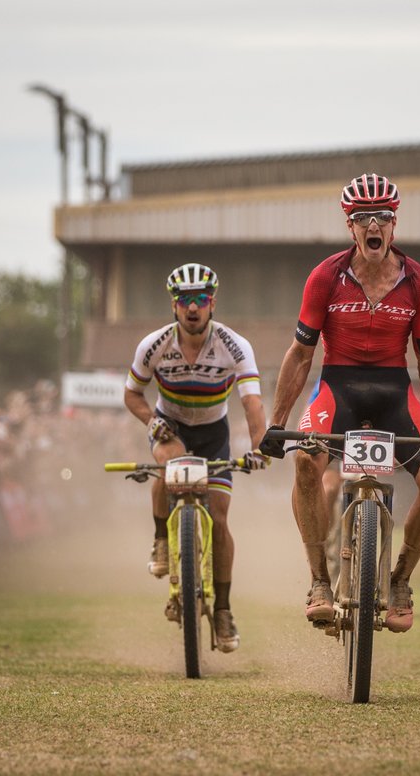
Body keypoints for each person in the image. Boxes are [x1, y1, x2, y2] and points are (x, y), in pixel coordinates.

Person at [259, 173, 420, 633]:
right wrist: (276, 423)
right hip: (338, 388)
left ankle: (399, 581)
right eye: (362, 218)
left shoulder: (418, 283)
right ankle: (319, 579)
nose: (372, 225)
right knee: (304, 464)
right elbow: (301, 354)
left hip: (394, 391)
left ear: (393, 226)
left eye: (382, 217)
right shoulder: (325, 277)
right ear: (350, 226)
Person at [122, 263, 267, 653]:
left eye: (200, 299)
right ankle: (160, 540)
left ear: (212, 303)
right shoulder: (153, 346)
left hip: (214, 434)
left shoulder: (234, 345)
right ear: (173, 305)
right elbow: (132, 395)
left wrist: (258, 448)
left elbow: (252, 404)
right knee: (170, 465)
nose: (192, 307)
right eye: (184, 300)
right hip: (172, 427)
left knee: (219, 519)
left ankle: (222, 610)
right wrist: (152, 422)